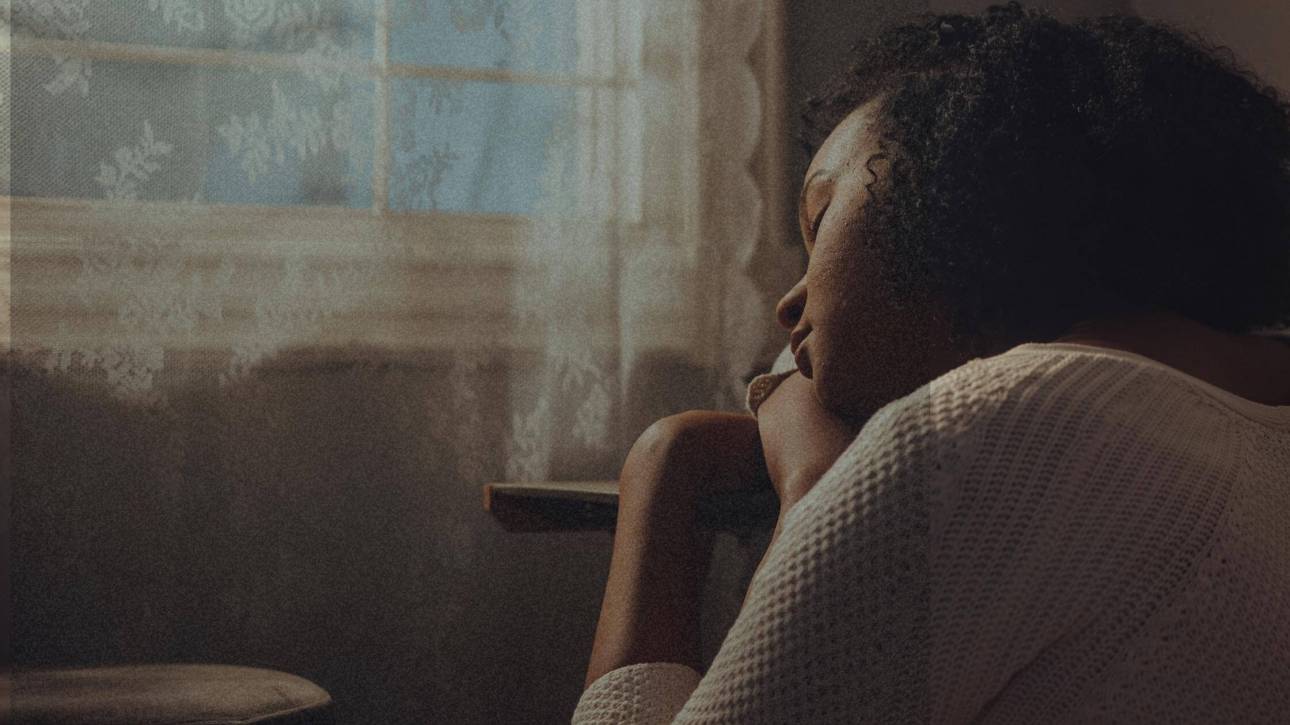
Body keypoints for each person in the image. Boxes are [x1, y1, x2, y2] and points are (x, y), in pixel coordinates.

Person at [575, 3, 1290, 722]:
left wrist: (687, 468)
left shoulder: (971, 440)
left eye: (819, 223)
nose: (787, 305)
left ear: (952, 191)